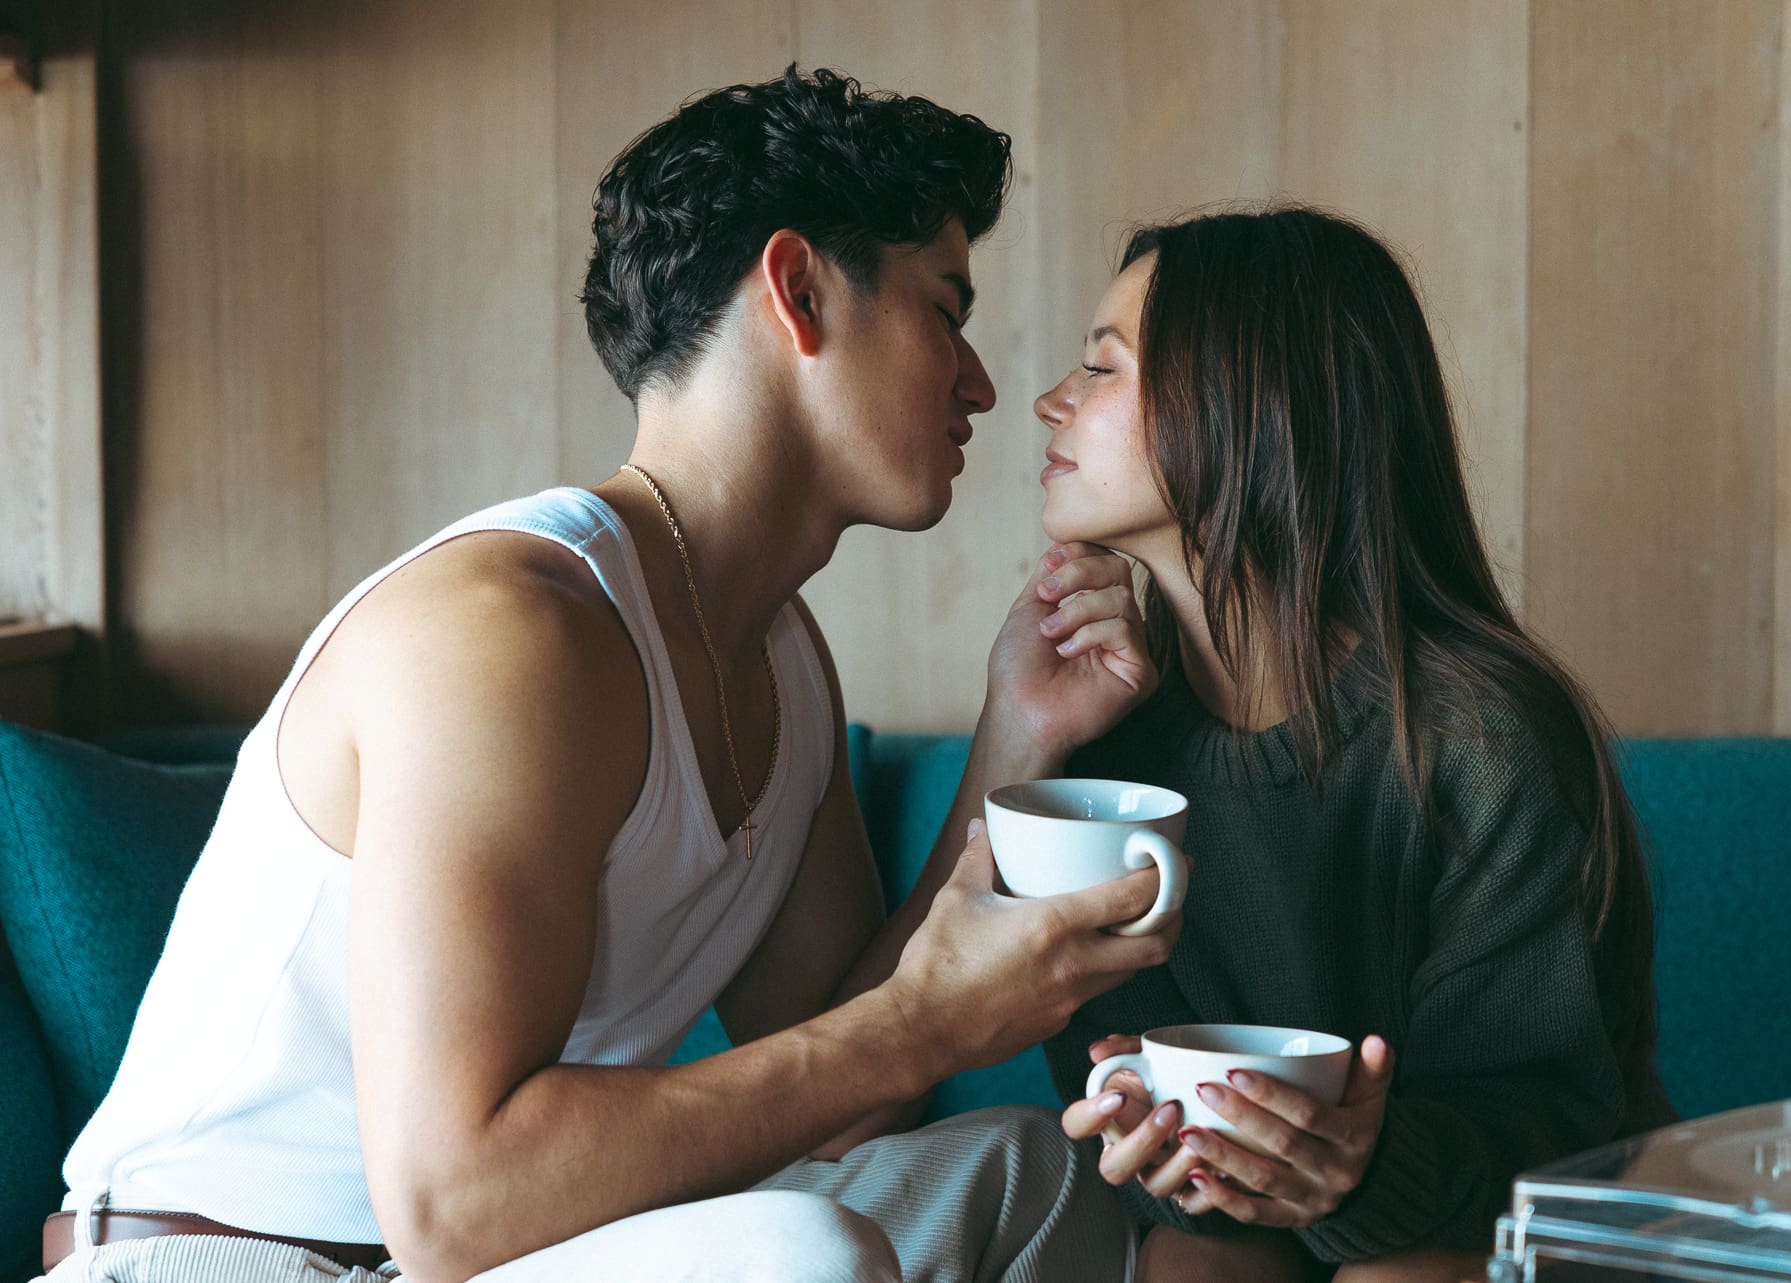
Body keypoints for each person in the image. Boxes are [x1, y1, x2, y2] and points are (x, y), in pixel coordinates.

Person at [39, 67, 1169, 1283]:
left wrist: (1013, 739)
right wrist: (913, 1025)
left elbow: (843, 1091)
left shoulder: (785, 661)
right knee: (804, 1251)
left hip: (506, 1255)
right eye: (945, 307)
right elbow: (454, 1204)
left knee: (1036, 1177)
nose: (979, 380)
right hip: (234, 1262)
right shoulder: (511, 630)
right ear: (796, 290)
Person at [960, 205, 1677, 1281]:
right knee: (1193, 1265)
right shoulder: (1111, 761)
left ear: (1244, 406)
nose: (1049, 400)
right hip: (1245, 1235)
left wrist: (1358, 1172)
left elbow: (1551, 1122)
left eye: (1100, 369)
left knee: (1406, 1275)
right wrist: (1160, 1136)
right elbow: (1117, 1068)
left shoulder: (1482, 742)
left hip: (1524, 1224)